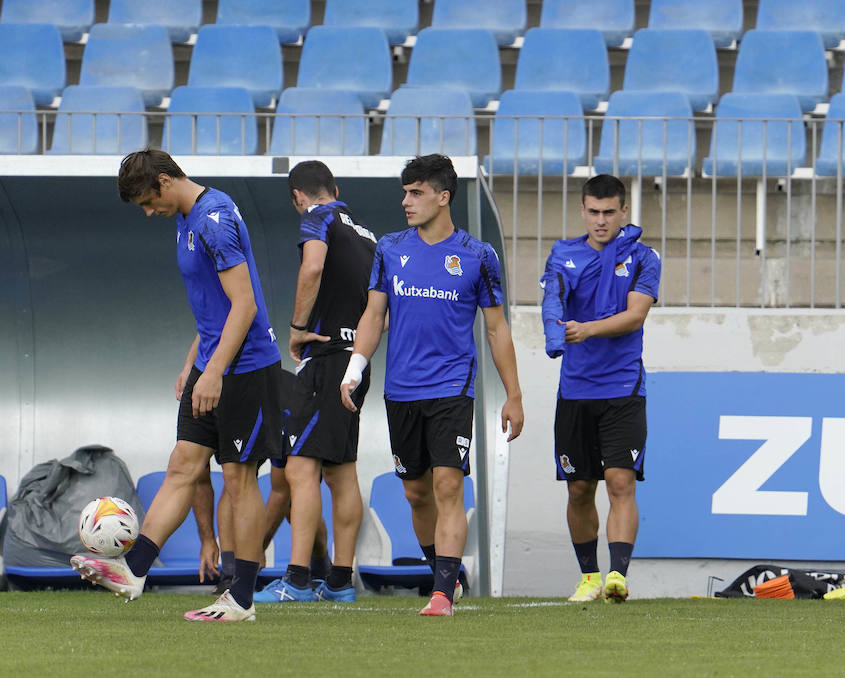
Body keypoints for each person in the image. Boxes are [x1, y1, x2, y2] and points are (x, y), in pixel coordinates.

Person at [72, 149, 279, 622]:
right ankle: (134, 570)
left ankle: (242, 600)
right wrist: (194, 362)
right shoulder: (187, 218)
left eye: (149, 201)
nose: (149, 212)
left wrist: (214, 372)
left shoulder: (215, 218)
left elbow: (244, 305)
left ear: (167, 181)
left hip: (245, 369)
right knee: (183, 465)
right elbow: (214, 306)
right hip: (212, 363)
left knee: (239, 478)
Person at [341, 154, 523, 616]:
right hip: (401, 390)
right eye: (405, 192)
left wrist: (514, 394)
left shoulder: (478, 257)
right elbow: (373, 314)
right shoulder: (390, 248)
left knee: (447, 486)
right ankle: (447, 575)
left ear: (443, 197)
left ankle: (441, 593)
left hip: (451, 389)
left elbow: (497, 330)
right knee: (416, 493)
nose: (406, 201)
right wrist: (356, 367)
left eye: (416, 192)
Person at [254, 160, 377, 604]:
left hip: (324, 358)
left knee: (302, 470)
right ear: (335, 187)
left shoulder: (316, 218)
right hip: (356, 360)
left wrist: (297, 326)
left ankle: (298, 579)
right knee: (342, 473)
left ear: (297, 196)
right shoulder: (367, 233)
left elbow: (311, 268)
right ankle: (341, 581)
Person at [540, 174, 660, 603]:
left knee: (620, 481)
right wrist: (554, 332)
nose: (601, 220)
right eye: (594, 211)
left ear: (624, 212)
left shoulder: (645, 257)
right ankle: (589, 576)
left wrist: (586, 329)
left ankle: (617, 575)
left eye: (610, 212)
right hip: (575, 390)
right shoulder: (562, 255)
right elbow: (552, 300)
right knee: (579, 488)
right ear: (583, 211)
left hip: (623, 388)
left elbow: (635, 316)